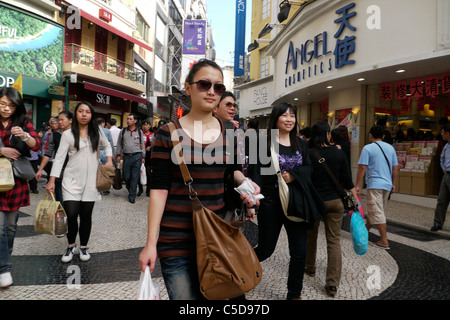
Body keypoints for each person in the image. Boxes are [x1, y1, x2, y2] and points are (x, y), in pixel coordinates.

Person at [138, 59, 259, 300]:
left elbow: (230, 172)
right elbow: (159, 190)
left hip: (218, 238)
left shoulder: (230, 132)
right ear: (188, 87)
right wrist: (151, 243)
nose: (212, 91)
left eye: (218, 87)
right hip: (176, 242)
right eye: (204, 84)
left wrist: (244, 184)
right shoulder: (167, 134)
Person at [249, 102, 324, 300]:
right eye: (284, 115)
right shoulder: (264, 143)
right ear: (276, 118)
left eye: (292, 115)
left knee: (299, 252)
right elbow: (255, 173)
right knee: (265, 249)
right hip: (270, 204)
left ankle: (294, 294)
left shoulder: (300, 144)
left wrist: (293, 175)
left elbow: (310, 169)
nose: (289, 119)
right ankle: (238, 274)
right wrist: (253, 200)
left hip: (296, 204)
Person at [45, 102, 113, 263]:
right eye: (81, 111)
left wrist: (109, 160)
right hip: (70, 181)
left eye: (87, 112)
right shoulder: (68, 135)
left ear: (91, 115)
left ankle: (83, 246)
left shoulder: (96, 131)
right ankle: (71, 245)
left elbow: (107, 145)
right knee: (72, 214)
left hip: (91, 182)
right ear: (75, 114)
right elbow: (60, 158)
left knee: (86, 215)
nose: (84, 114)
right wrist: (52, 180)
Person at [306, 121, 358, 297]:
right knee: (334, 241)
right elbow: (348, 181)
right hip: (336, 202)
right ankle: (332, 284)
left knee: (311, 236)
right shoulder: (338, 154)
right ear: (328, 134)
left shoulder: (309, 153)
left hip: (315, 202)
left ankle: (310, 268)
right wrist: (356, 200)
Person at [0, 87, 41, 288]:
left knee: (10, 227)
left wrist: (24, 135)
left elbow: (36, 145)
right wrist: (2, 150)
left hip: (14, 182)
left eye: (11, 105)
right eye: (2, 104)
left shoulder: (22, 123)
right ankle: (4, 268)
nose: (6, 108)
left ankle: (3, 258)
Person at [355, 125, 398, 250]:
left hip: (374, 184)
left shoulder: (367, 148)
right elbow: (395, 168)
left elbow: (362, 168)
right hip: (387, 184)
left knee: (377, 211)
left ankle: (384, 241)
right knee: (377, 210)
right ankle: (364, 232)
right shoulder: (390, 148)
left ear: (370, 135)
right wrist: (393, 183)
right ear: (383, 136)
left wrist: (357, 184)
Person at [36, 110, 73, 204]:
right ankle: (62, 217)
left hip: (73, 172)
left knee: (72, 202)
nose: (60, 122)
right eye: (58, 120)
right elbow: (48, 153)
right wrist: (40, 169)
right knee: (60, 201)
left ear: (70, 120)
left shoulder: (77, 134)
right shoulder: (55, 134)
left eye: (62, 120)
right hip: (59, 171)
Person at [116, 113, 144, 204]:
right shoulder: (123, 131)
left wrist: (143, 156)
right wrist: (118, 155)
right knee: (126, 177)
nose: (128, 121)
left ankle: (132, 195)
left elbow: (142, 145)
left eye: (130, 119)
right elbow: (119, 144)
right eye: (127, 119)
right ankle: (131, 189)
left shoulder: (139, 132)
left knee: (134, 177)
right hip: (127, 157)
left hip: (137, 156)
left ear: (135, 121)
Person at [431, 122, 450, 232]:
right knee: (441, 200)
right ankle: (438, 223)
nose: (441, 135)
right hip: (446, 175)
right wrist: (443, 168)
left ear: (448, 133)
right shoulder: (446, 146)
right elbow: (442, 158)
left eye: (443, 133)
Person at [141, 119, 153, 197]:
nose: (145, 126)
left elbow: (156, 143)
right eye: (144, 125)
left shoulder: (153, 134)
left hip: (149, 156)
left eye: (147, 125)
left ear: (150, 126)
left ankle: (148, 189)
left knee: (148, 174)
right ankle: (140, 189)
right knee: (140, 172)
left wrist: (151, 147)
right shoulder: (140, 134)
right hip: (141, 156)